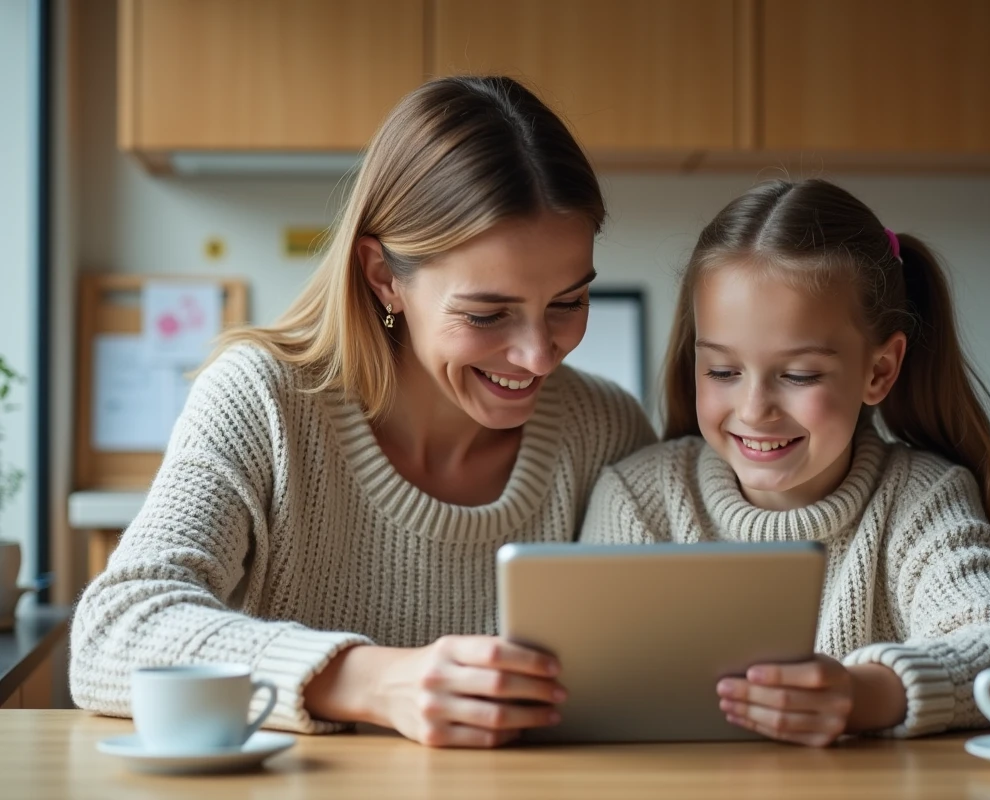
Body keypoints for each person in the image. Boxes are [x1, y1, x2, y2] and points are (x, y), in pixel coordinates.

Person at [70, 76, 655, 748]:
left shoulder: (606, 429)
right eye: (488, 313)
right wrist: (371, 681)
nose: (537, 355)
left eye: (568, 303)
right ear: (384, 276)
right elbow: (115, 629)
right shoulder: (263, 402)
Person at [580, 178, 990, 746]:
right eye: (723, 372)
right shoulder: (640, 499)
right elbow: (590, 688)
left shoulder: (922, 500)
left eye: (799, 375)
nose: (754, 410)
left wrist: (865, 694)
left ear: (879, 371)